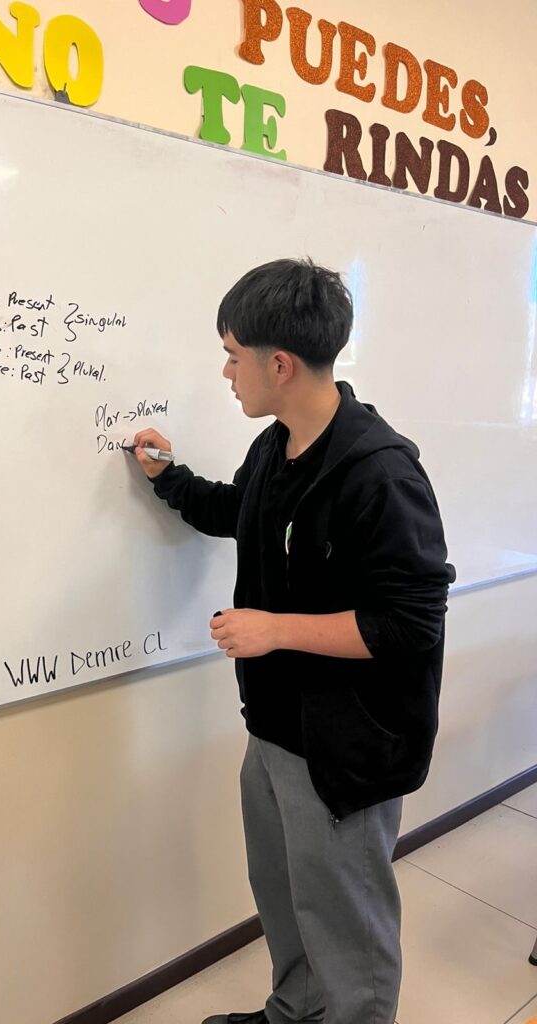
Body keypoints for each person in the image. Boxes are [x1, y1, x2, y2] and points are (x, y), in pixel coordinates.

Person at [129, 258, 455, 1024]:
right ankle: (294, 1013)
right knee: (284, 895)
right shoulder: (276, 448)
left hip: (347, 748)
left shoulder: (380, 473)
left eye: (232, 356)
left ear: (278, 364)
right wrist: (167, 476)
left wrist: (273, 629)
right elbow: (236, 513)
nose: (226, 372)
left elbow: (409, 625)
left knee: (347, 924)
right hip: (276, 728)